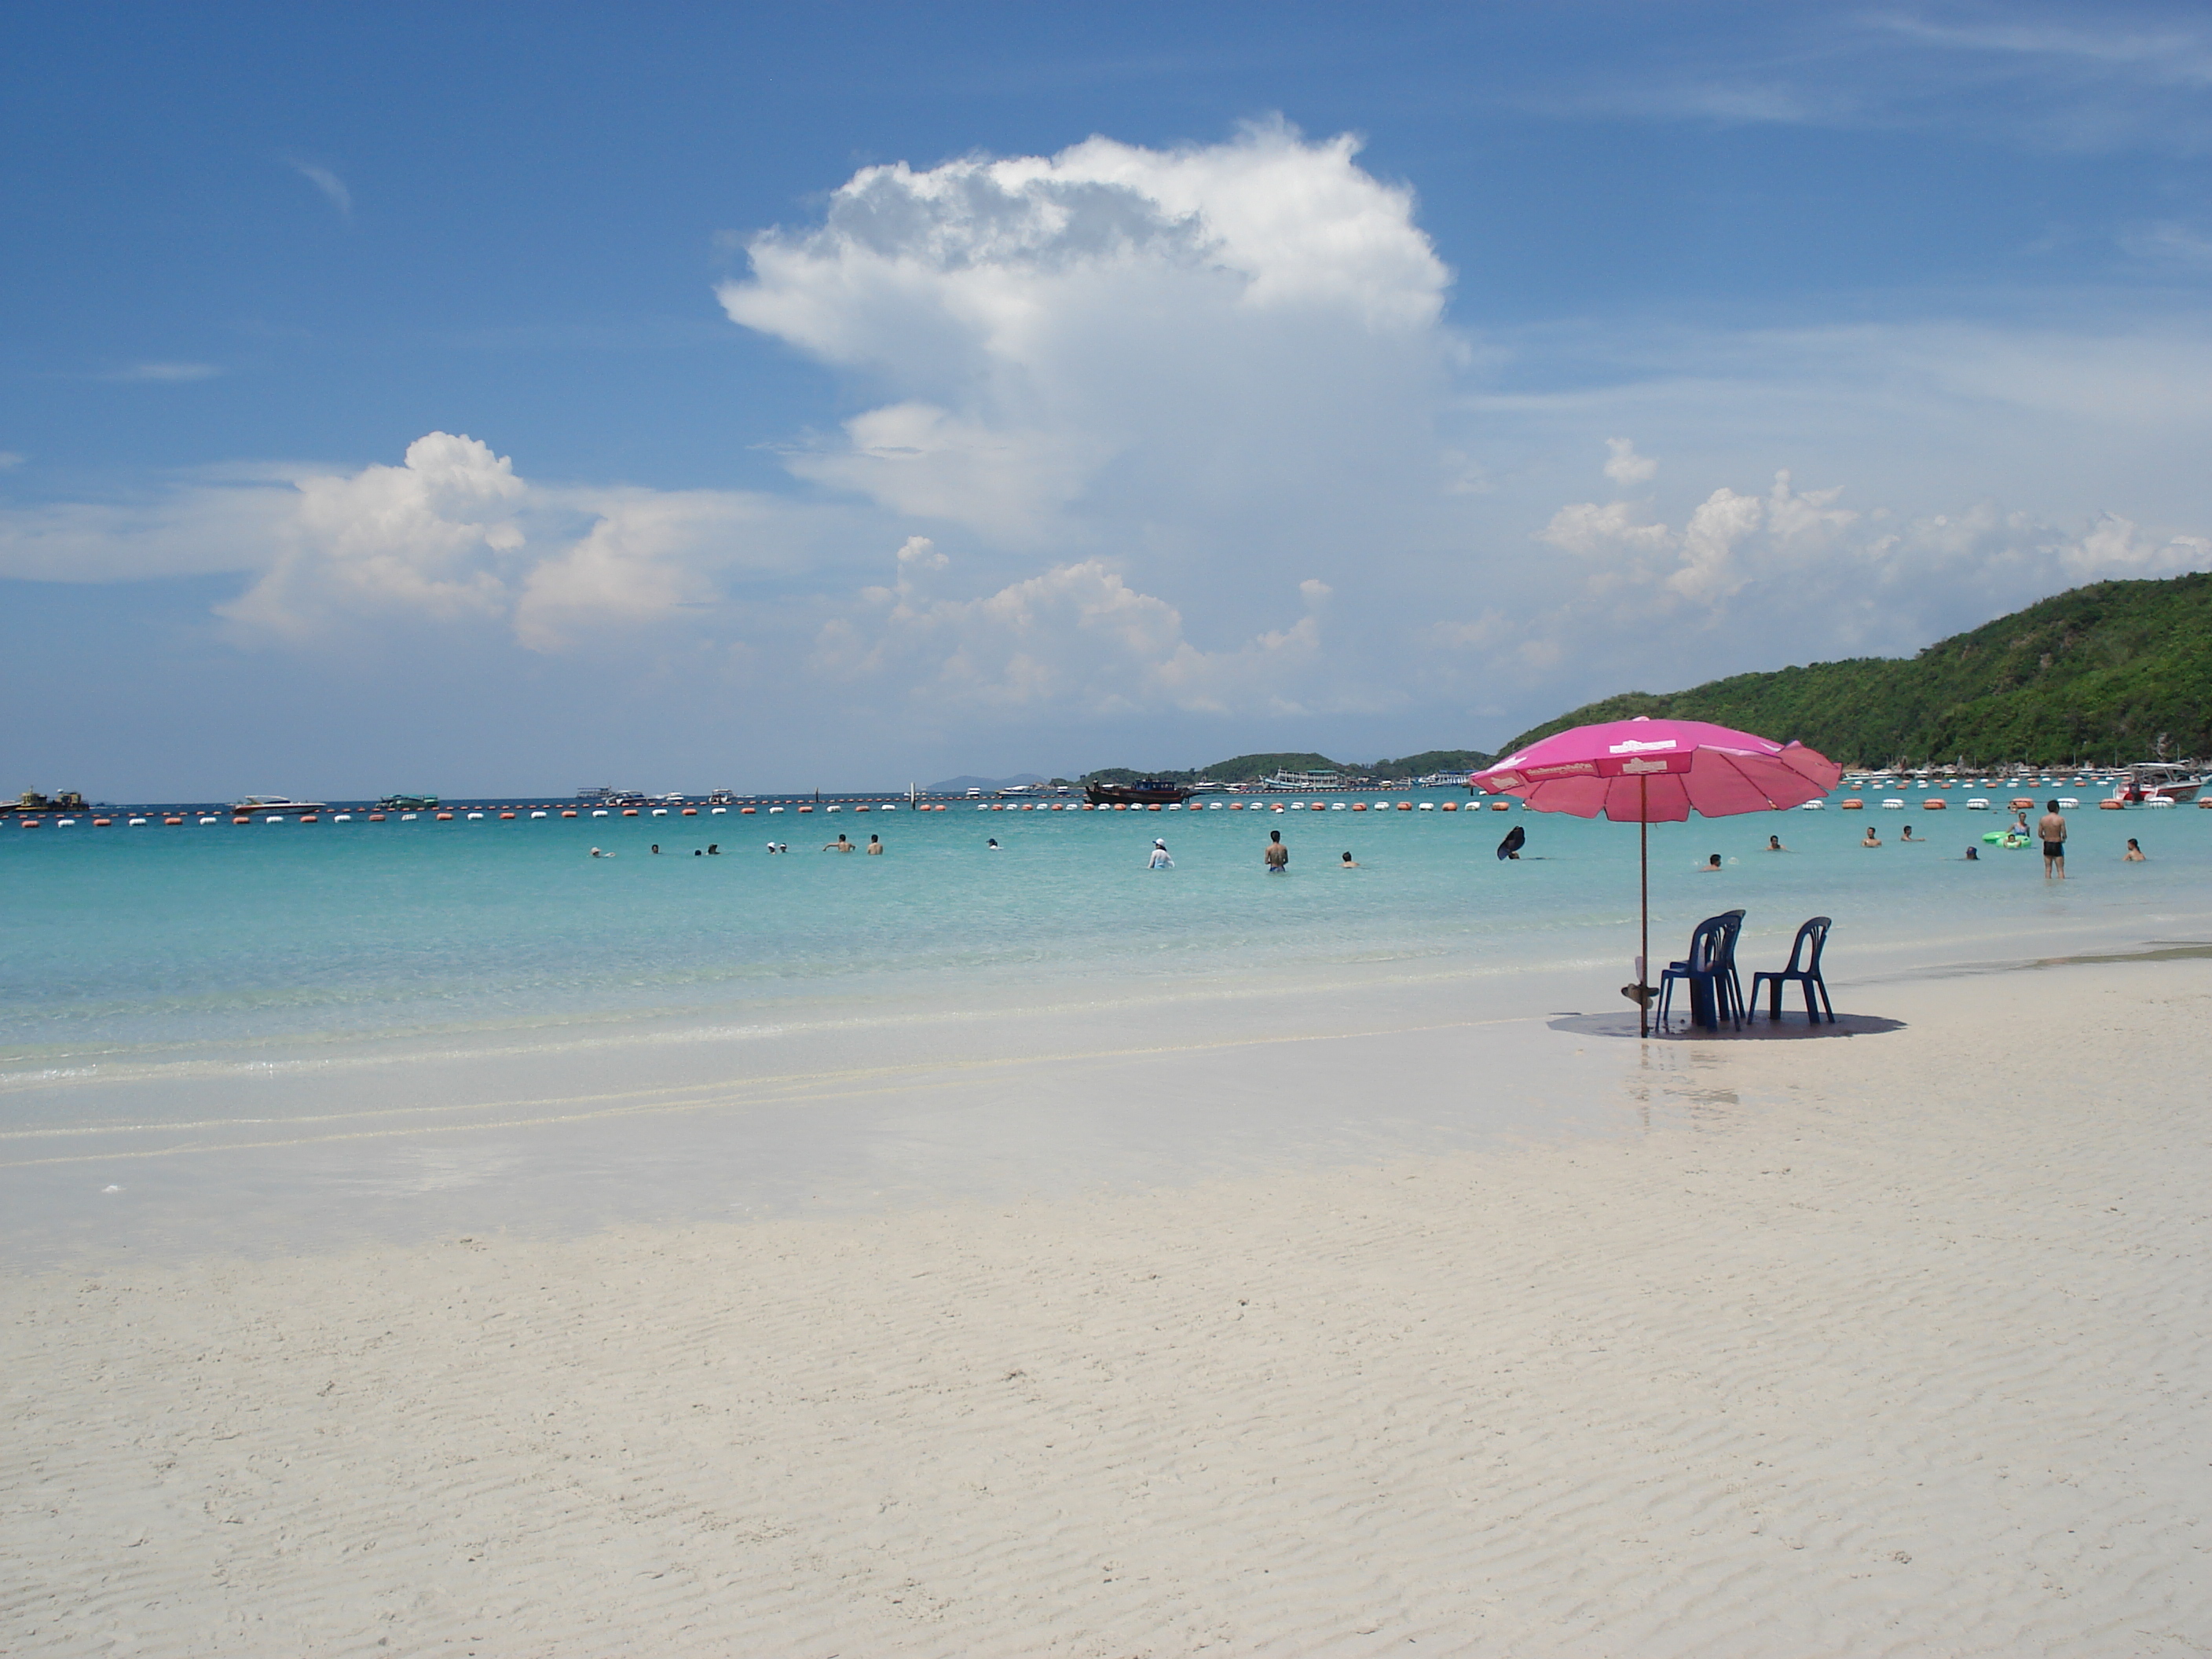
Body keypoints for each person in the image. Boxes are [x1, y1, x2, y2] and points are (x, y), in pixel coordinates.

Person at [2038, 799, 2067, 879]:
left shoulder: (2043, 819)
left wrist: (2046, 838)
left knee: (2048, 869)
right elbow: (2064, 834)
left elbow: (2040, 834)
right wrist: (2063, 839)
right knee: (2060, 869)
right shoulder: (2060, 819)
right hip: (2057, 843)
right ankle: (2062, 888)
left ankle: (2048, 888)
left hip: (2047, 844)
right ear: (2057, 808)